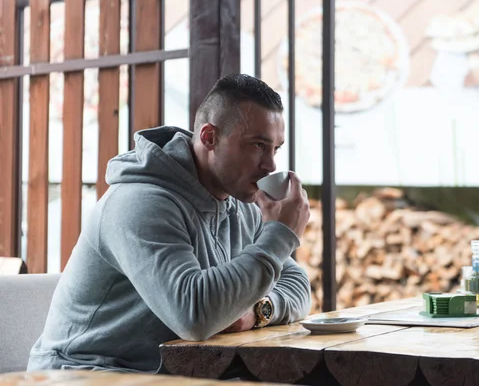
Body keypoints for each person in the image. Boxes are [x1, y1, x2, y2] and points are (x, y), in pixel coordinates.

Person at [27, 74, 312, 373]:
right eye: (257, 145)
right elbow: (195, 316)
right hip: (83, 375)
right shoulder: (140, 203)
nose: (270, 165)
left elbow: (297, 283)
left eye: (275, 149)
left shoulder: (242, 206)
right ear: (209, 137)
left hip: (167, 375)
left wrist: (257, 313)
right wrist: (280, 235)